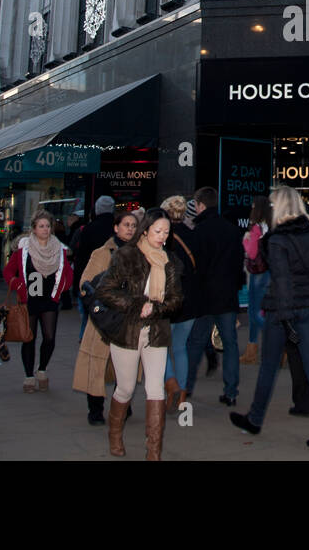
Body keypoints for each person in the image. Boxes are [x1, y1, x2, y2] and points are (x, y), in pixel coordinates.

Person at [230, 185, 309, 447]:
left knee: (269, 367)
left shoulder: (277, 239)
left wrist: (286, 318)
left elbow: (283, 281)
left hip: (282, 310)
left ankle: (255, 419)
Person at [92, 208, 183, 459]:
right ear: (145, 230)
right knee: (126, 388)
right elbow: (105, 290)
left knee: (156, 389)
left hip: (157, 331)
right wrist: (136, 304)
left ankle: (154, 450)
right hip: (127, 332)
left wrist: (156, 308)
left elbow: (176, 299)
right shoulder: (126, 255)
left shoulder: (170, 261)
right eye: (157, 231)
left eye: (166, 232)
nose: (162, 236)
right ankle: (114, 434)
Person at [73, 210, 138, 425]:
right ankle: (95, 409)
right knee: (97, 366)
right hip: (104, 321)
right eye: (126, 224)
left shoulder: (142, 254)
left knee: (126, 366)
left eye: (133, 225)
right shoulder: (102, 253)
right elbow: (86, 283)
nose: (130, 228)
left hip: (129, 319)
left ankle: (123, 405)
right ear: (116, 227)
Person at [183, 187, 244, 406]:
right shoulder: (232, 230)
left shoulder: (198, 232)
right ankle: (231, 392)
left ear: (200, 205)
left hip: (204, 295)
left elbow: (193, 267)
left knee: (195, 343)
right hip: (226, 294)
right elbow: (239, 264)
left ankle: (186, 387)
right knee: (230, 343)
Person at [3, 209, 74, 393]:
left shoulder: (59, 249)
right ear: (33, 229)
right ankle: (28, 376)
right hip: (29, 300)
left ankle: (42, 370)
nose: (45, 229)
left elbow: (68, 274)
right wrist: (18, 285)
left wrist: (62, 287)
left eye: (48, 226)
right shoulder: (23, 250)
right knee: (29, 338)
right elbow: (8, 271)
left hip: (50, 299)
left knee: (49, 337)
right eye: (41, 226)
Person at [161, 198, 201, 411]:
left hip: (169, 301)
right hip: (191, 300)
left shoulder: (164, 238)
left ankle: (171, 383)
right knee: (180, 348)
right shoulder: (194, 235)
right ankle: (183, 394)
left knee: (160, 348)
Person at [72, 196, 117, 340]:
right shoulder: (117, 230)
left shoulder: (88, 229)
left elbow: (80, 258)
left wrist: (78, 284)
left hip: (90, 280)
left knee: (88, 318)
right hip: (112, 283)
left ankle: (84, 341)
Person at [240, 196, 270, 364]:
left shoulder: (256, 227)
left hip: (257, 272)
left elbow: (251, 253)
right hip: (269, 271)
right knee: (262, 310)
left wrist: (246, 240)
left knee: (254, 312)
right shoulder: (271, 226)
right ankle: (254, 347)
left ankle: (276, 341)